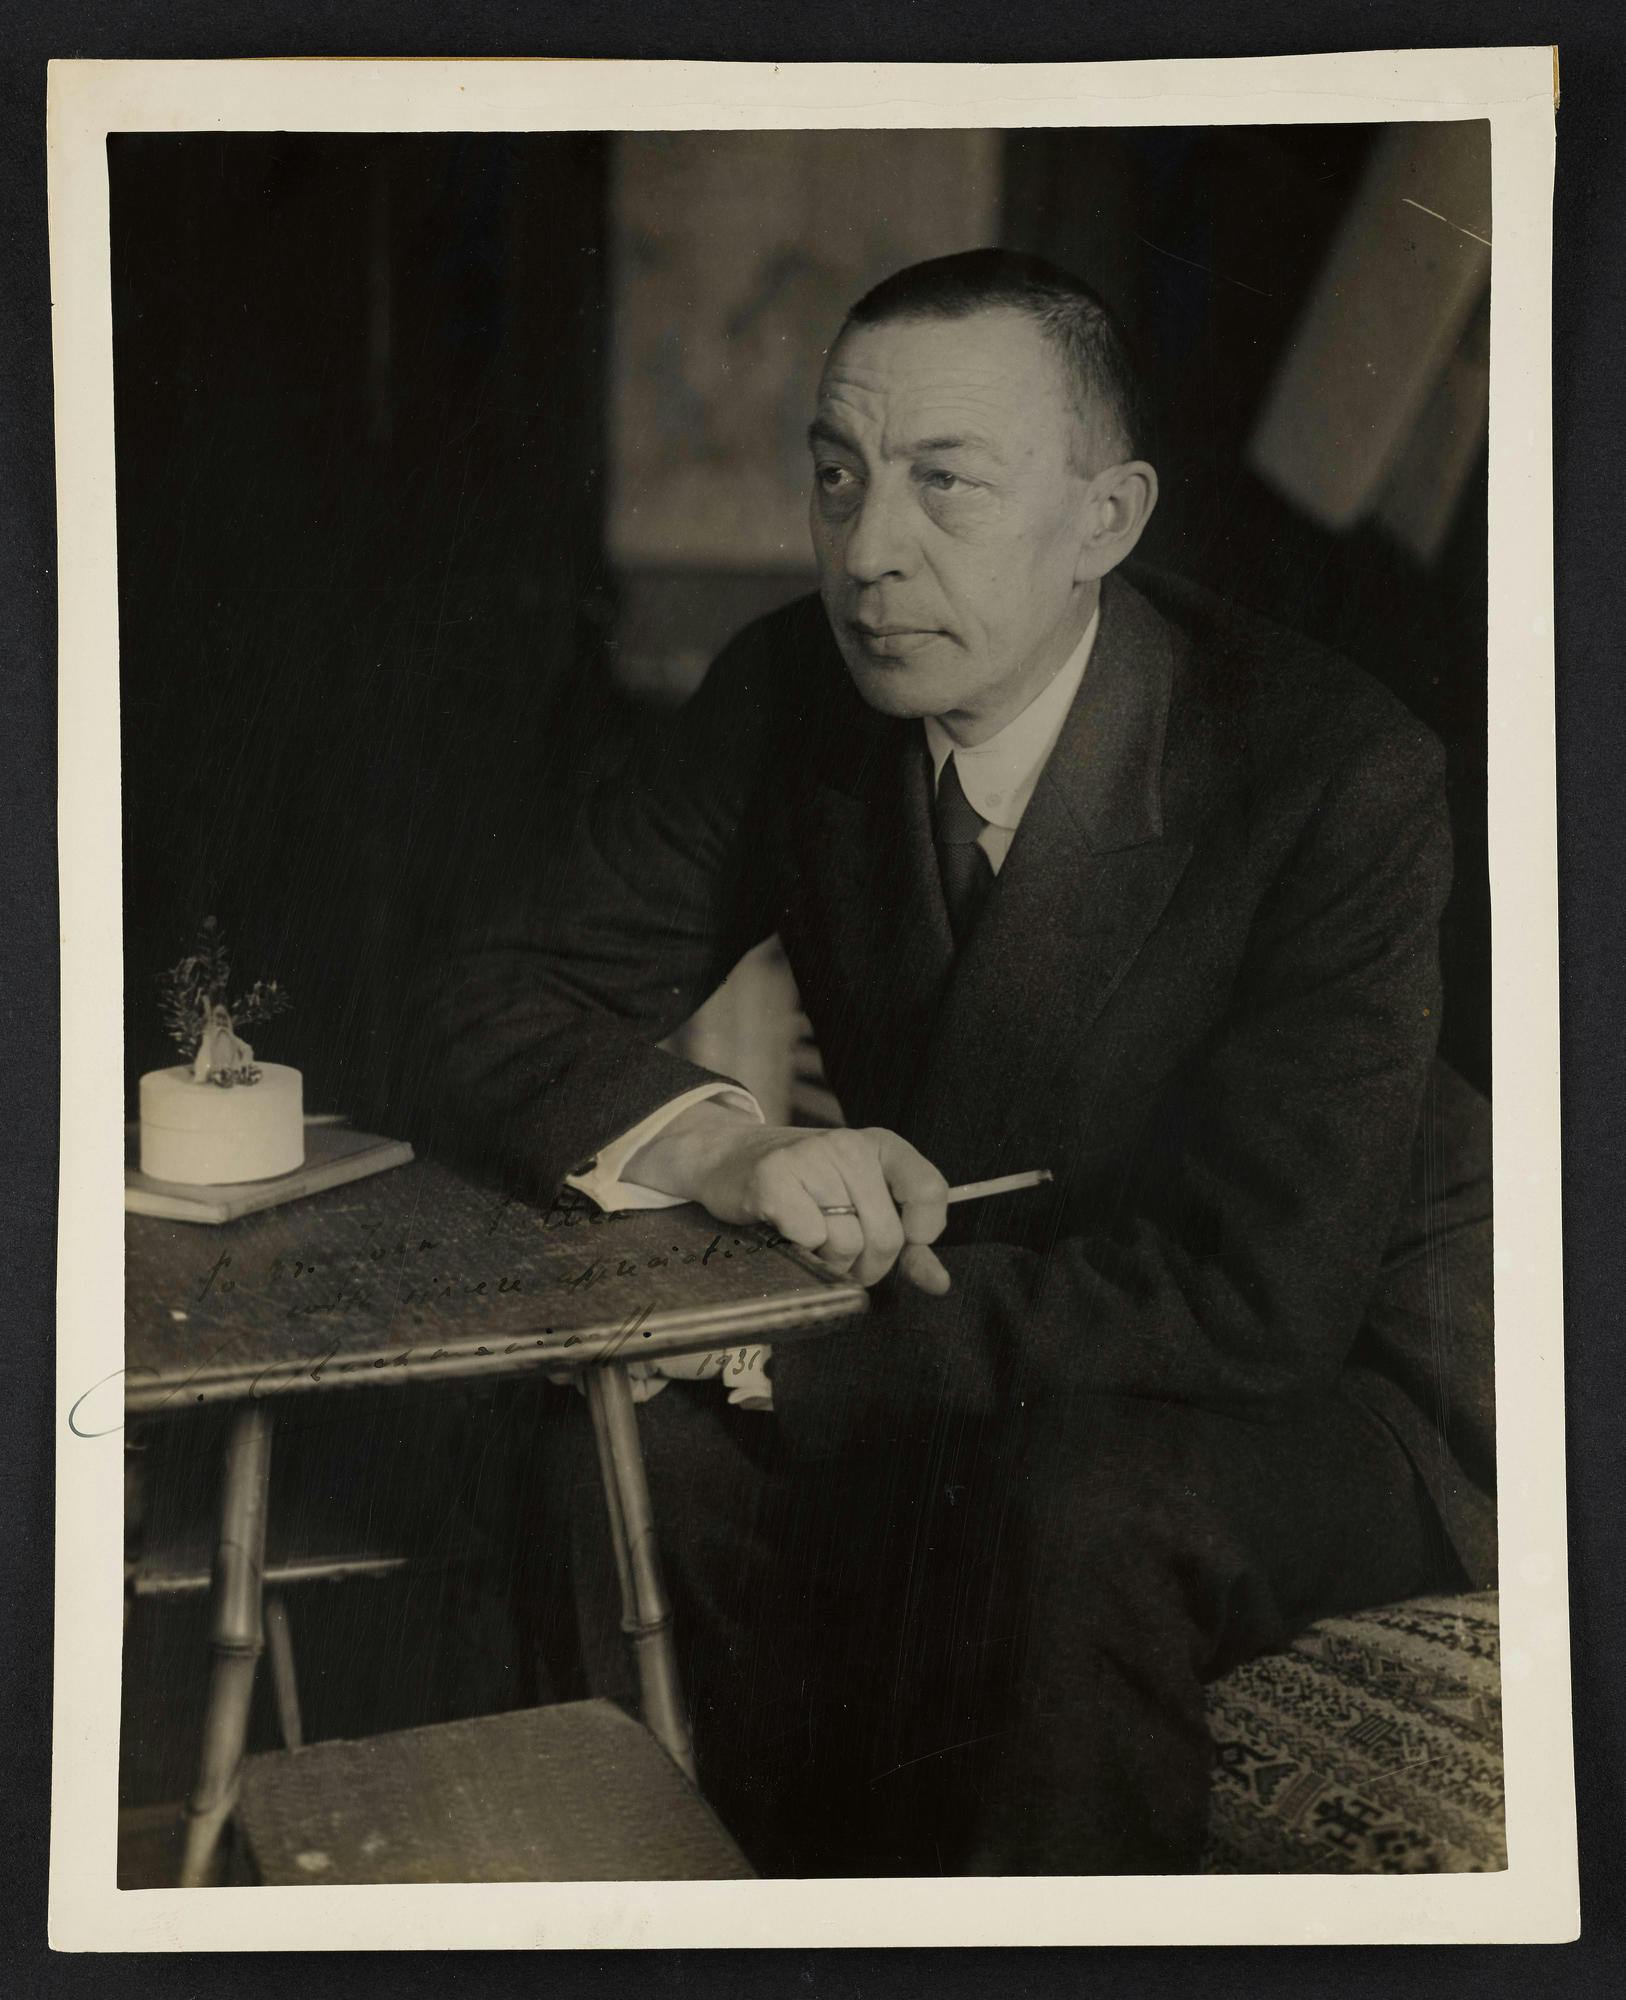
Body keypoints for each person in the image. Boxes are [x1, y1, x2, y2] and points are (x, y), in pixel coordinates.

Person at [428, 249, 1491, 1875]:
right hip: (977, 1329)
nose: (870, 554)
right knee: (611, 1460)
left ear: (1104, 522)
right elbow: (496, 991)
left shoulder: (1328, 770)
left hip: (1338, 1381)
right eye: (837, 477)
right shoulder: (794, 689)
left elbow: (1260, 1304)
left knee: (1067, 1509)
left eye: (946, 487)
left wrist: (777, 1345)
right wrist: (724, 1148)